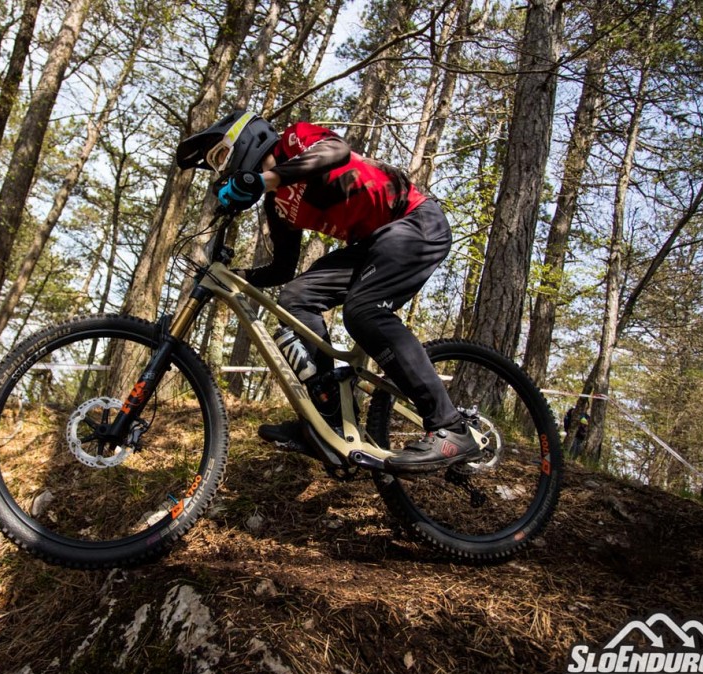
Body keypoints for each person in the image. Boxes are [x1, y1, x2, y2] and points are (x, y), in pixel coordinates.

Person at [175, 111, 479, 473]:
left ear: (246, 139)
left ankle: (450, 425)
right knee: (297, 297)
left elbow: (336, 151)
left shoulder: (294, 139)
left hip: (414, 221)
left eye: (221, 156)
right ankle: (327, 417)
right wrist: (235, 275)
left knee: (363, 311)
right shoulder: (277, 205)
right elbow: (282, 270)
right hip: (371, 245)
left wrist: (266, 178)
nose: (223, 169)